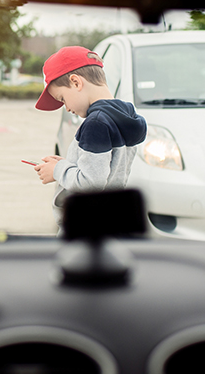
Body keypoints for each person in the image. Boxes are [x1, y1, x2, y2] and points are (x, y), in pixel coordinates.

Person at [32, 46, 147, 234]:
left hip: (87, 223)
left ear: (76, 82)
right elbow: (104, 170)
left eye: (62, 98)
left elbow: (91, 183)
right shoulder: (126, 114)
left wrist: (57, 170)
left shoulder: (96, 124)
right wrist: (68, 164)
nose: (66, 108)